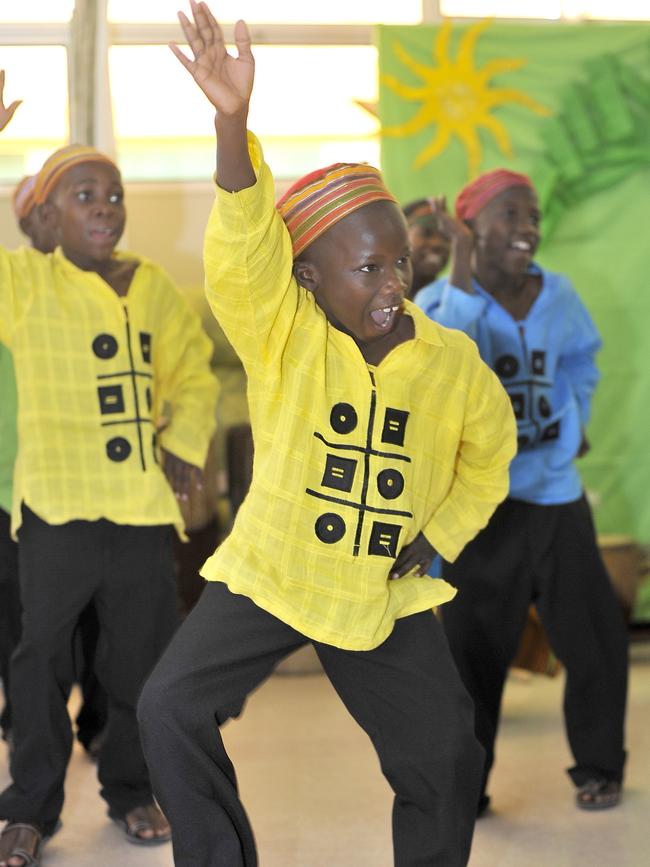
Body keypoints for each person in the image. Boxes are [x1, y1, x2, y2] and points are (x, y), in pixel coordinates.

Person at [137, 4, 517, 866]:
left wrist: (440, 534)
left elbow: (491, 453)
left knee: (448, 754)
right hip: (276, 567)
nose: (394, 283)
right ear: (308, 277)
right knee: (169, 706)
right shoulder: (284, 332)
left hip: (379, 588)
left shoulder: (450, 363)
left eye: (401, 262)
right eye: (367, 267)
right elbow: (242, 249)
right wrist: (231, 123)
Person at [0, 77, 219, 867]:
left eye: (114, 194)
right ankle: (27, 805)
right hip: (57, 507)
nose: (104, 205)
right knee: (40, 661)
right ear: (46, 218)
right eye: (83, 195)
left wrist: (187, 438)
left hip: (138, 510)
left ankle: (130, 787)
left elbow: (194, 373)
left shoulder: (153, 285)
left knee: (143, 659)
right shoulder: (24, 285)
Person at [417, 169, 629, 816]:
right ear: (471, 224)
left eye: (531, 215)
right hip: (482, 504)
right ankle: (468, 785)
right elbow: (447, 354)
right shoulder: (441, 298)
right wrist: (459, 262)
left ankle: (599, 766)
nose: (527, 228)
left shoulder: (558, 295)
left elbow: (582, 359)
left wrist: (577, 418)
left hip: (555, 494)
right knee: (472, 653)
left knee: (594, 639)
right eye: (509, 214)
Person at [0, 175, 109, 762]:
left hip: (85, 488)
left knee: (99, 620)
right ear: (28, 223)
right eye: (38, 213)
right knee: (24, 625)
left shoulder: (90, 289)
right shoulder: (12, 286)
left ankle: (98, 726)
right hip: (11, 489)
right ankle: (27, 727)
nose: (50, 222)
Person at [402, 198, 451, 299]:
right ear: (401, 236)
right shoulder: (381, 296)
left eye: (445, 236)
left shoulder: (449, 298)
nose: (438, 243)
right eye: (426, 234)